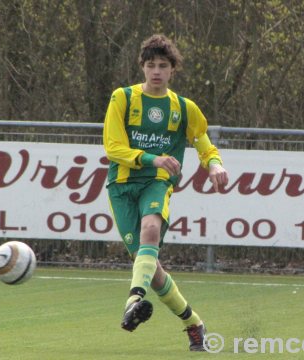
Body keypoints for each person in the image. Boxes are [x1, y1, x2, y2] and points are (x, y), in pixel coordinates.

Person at [102, 34, 228, 351]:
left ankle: (133, 300)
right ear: (142, 67)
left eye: (163, 65)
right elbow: (113, 148)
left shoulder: (184, 108)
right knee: (151, 268)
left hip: (157, 181)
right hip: (121, 185)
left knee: (151, 229)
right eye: (150, 65)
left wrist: (214, 165)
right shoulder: (123, 99)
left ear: (173, 69)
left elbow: (204, 142)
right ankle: (194, 323)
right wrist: (151, 156)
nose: (156, 71)